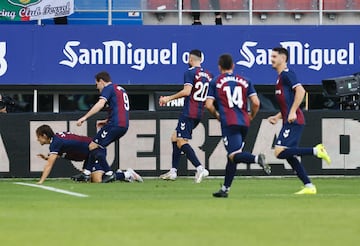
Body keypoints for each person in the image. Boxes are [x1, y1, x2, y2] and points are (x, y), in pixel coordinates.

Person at [205, 54, 271, 198]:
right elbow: (256, 102)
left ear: (219, 67)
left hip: (229, 122)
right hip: (244, 122)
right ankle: (225, 189)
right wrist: (252, 116)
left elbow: (209, 105)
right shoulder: (245, 81)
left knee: (233, 155)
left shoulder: (215, 81)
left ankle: (256, 159)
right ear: (233, 66)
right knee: (233, 156)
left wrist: (216, 115)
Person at [268, 47, 331, 195]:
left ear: (283, 58)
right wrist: (278, 116)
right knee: (289, 155)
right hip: (289, 120)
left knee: (279, 152)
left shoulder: (287, 74)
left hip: (294, 121)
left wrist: (291, 112)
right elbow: (287, 101)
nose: (271, 59)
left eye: (274, 56)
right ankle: (309, 186)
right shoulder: (279, 78)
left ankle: (316, 150)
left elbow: (301, 91)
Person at [159, 49, 212, 183]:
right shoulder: (208, 75)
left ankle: (200, 168)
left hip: (189, 111)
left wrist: (168, 98)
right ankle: (173, 171)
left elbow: (187, 91)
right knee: (174, 137)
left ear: (190, 59)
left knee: (182, 141)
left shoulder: (190, 72)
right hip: (199, 112)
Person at [36, 125, 142, 184]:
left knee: (98, 180)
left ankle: (127, 174)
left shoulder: (55, 143)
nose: (37, 139)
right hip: (89, 155)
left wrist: (41, 181)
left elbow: (50, 165)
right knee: (90, 179)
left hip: (95, 151)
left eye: (38, 136)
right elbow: (65, 150)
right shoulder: (57, 139)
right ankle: (120, 175)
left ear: (44, 135)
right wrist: (48, 157)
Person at [75, 71, 130, 183]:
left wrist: (85, 117)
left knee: (94, 146)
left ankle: (109, 173)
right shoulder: (120, 89)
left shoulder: (108, 88)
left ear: (101, 81)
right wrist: (107, 120)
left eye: (97, 84)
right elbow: (121, 108)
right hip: (123, 125)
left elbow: (100, 104)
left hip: (115, 124)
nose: (97, 87)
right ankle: (86, 173)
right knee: (95, 146)